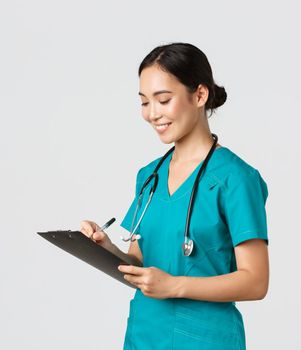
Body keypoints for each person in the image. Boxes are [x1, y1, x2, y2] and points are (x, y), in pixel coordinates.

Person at [80, 42, 270, 350]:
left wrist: (174, 286)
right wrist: (106, 247)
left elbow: (256, 281)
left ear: (199, 95)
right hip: (145, 333)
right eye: (144, 102)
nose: (152, 114)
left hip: (204, 338)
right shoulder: (149, 176)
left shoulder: (235, 178)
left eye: (163, 100)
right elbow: (141, 264)